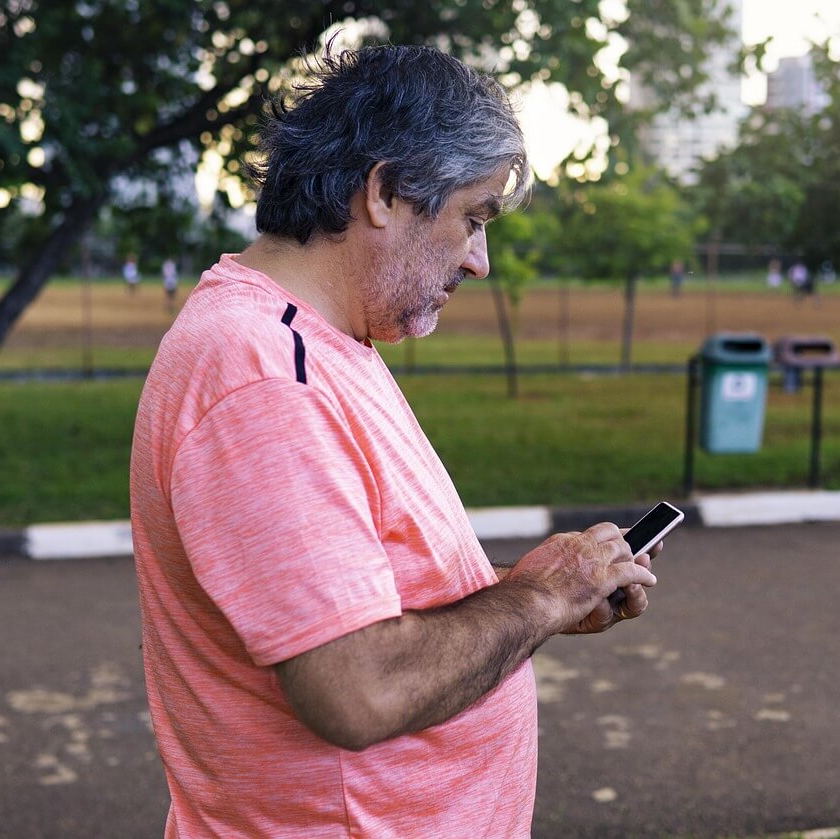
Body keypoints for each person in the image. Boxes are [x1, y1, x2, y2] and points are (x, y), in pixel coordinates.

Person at [129, 46, 660, 838]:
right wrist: (541, 596)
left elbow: (376, 597)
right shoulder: (266, 374)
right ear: (383, 193)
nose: (480, 261)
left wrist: (545, 598)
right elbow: (358, 687)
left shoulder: (318, 342)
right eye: (473, 218)